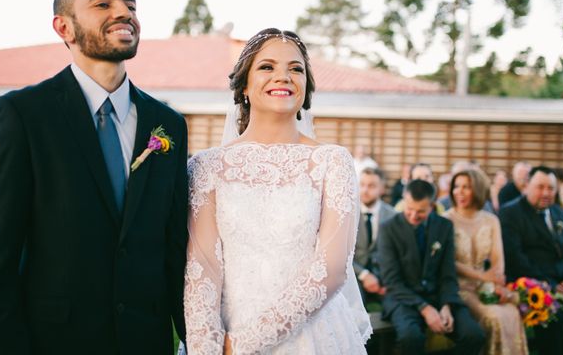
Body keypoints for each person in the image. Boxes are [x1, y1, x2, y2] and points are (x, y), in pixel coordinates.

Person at [0, 0, 188, 355]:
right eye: (103, 3)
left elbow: (174, 246)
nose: (124, 12)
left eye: (130, 5)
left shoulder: (167, 124)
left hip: (145, 341)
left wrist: (194, 335)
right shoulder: (24, 115)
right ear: (64, 27)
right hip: (53, 340)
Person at [183, 28, 371, 354]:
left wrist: (244, 344)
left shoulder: (332, 162)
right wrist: (207, 347)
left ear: (306, 87)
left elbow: (332, 267)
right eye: (267, 67)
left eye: (295, 69)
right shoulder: (206, 167)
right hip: (228, 327)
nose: (282, 77)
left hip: (312, 337)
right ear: (243, 84)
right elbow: (203, 268)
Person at [377, 179, 485, 355]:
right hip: (403, 298)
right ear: (404, 200)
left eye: (421, 211)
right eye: (409, 209)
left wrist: (447, 304)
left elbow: (448, 273)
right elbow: (392, 281)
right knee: (411, 339)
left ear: (432, 205)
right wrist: (425, 308)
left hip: (438, 295)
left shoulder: (444, 226)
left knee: (474, 335)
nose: (413, 216)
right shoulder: (388, 228)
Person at [500, 166, 563, 355]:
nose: (546, 193)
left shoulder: (558, 213)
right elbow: (515, 258)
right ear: (526, 186)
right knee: (554, 317)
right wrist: (550, 285)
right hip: (530, 284)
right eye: (540, 187)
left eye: (551, 188)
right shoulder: (511, 213)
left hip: (562, 284)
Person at [443, 169, 528, 355]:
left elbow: (498, 261)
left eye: (466, 187)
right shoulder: (445, 220)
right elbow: (447, 262)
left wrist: (496, 283)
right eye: (456, 186)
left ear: (478, 189)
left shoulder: (491, 220)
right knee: (494, 316)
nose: (459, 191)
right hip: (459, 288)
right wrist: (481, 275)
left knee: (512, 312)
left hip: (486, 285)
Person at [353, 166, 396, 305]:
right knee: (354, 305)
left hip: (383, 278)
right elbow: (339, 254)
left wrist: (384, 280)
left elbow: (395, 254)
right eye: (362, 185)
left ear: (382, 189)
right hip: (354, 275)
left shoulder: (392, 215)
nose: (365, 190)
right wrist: (364, 275)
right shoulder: (348, 213)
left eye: (371, 186)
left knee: (396, 304)